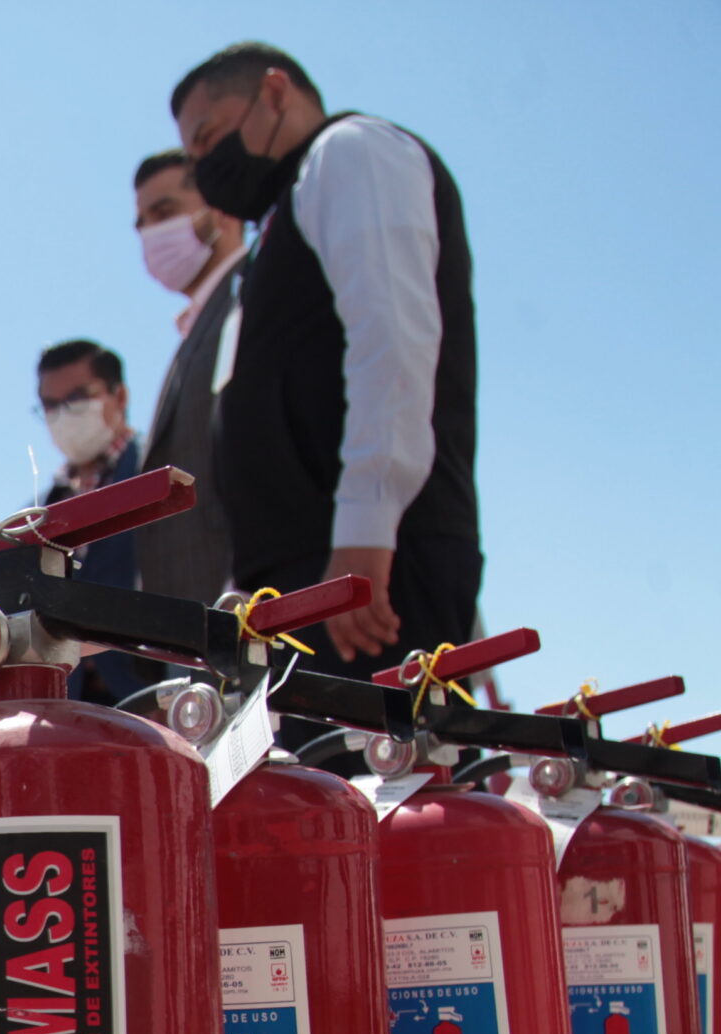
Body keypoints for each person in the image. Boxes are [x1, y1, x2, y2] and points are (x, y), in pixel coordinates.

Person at [172, 41, 479, 676]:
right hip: (300, 578)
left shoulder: (352, 153)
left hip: (366, 573)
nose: (206, 167)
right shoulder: (276, 229)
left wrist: (366, 527)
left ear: (276, 93)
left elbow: (391, 335)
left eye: (209, 137)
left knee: (372, 773)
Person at [131, 149, 246, 607]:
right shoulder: (193, 333)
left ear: (223, 208)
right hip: (196, 626)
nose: (152, 235)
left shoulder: (250, 301)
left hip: (246, 615)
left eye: (164, 213)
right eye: (142, 223)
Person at [36, 340, 149, 704]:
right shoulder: (40, 511)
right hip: (72, 709)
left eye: (78, 397)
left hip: (154, 696)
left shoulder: (159, 475)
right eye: (51, 406)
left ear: (120, 397)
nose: (63, 414)